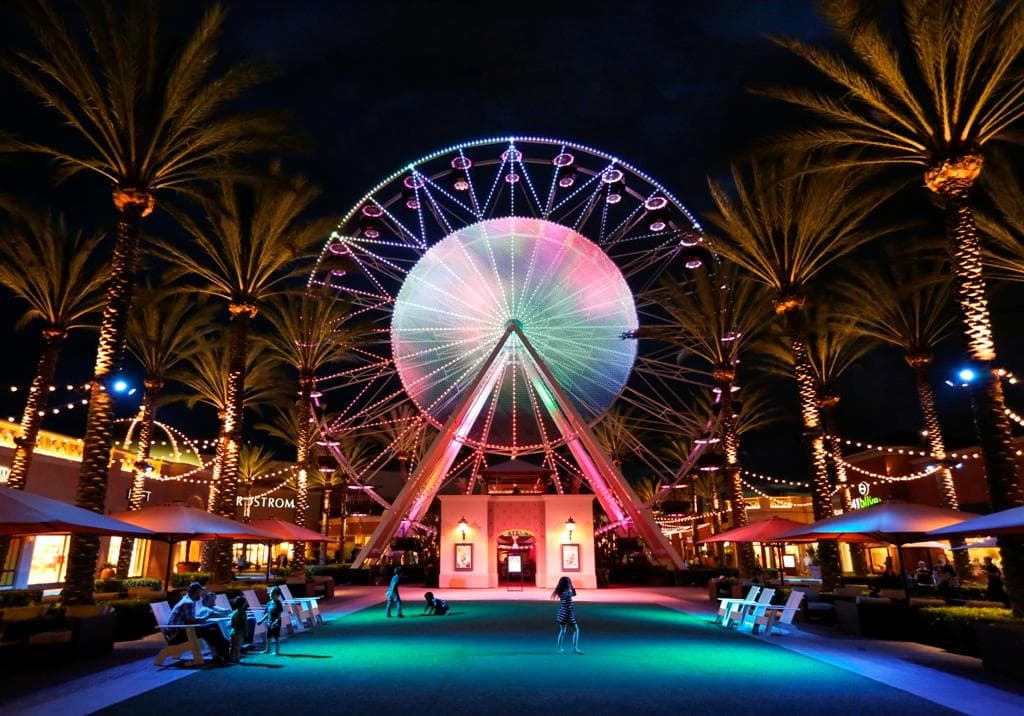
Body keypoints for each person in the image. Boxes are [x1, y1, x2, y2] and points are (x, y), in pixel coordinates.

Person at [165, 582, 230, 664]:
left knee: (213, 627)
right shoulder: (188, 603)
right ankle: (224, 650)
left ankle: (222, 652)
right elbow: (191, 621)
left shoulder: (188, 600)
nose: (201, 594)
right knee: (211, 630)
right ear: (196, 592)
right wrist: (206, 617)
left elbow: (191, 619)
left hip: (184, 630)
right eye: (200, 592)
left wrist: (206, 617)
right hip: (177, 635)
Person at [552, 576, 582, 655]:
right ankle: (575, 648)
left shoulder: (562, 592)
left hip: (561, 614)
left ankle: (559, 648)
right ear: (567, 584)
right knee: (576, 629)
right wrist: (572, 587)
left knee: (562, 631)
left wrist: (571, 587)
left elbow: (574, 594)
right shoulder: (567, 593)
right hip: (567, 614)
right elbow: (574, 594)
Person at [258, 586, 285, 655]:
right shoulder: (269, 603)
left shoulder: (278, 604)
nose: (270, 595)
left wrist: (276, 622)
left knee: (276, 636)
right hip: (269, 622)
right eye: (270, 593)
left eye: (272, 593)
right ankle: (267, 649)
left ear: (277, 595)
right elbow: (267, 614)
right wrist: (261, 620)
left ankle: (277, 651)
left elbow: (279, 615)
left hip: (276, 623)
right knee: (268, 636)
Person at [229, 596, 249, 662]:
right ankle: (237, 659)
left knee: (232, 646)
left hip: (233, 632)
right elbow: (245, 624)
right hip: (239, 632)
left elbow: (232, 623)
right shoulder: (243, 613)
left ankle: (232, 658)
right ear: (243, 604)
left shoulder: (234, 612)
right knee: (238, 647)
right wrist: (246, 632)